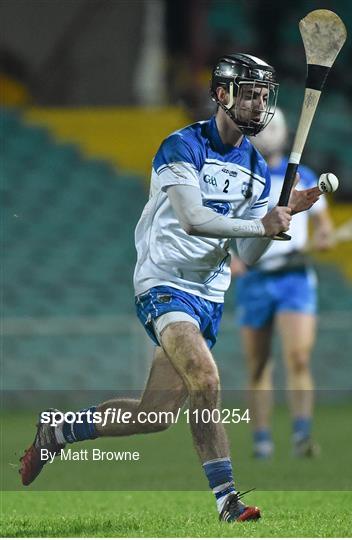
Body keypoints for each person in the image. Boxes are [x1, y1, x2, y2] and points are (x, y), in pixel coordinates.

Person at [19, 53, 321, 522]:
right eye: (249, 93)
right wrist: (259, 226)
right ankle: (227, 502)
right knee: (207, 378)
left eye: (264, 96)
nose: (259, 105)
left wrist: (281, 220)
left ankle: (58, 431)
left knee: (153, 415)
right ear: (221, 94)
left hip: (209, 298)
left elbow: (246, 258)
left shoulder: (259, 171)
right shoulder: (181, 147)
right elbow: (193, 219)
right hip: (164, 283)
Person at [232, 108, 334, 459]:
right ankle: (262, 440)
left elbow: (324, 225)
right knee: (259, 365)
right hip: (256, 279)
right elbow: (226, 224)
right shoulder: (242, 176)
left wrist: (323, 236)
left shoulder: (302, 175)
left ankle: (301, 435)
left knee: (299, 358)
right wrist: (233, 258)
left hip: (295, 278)